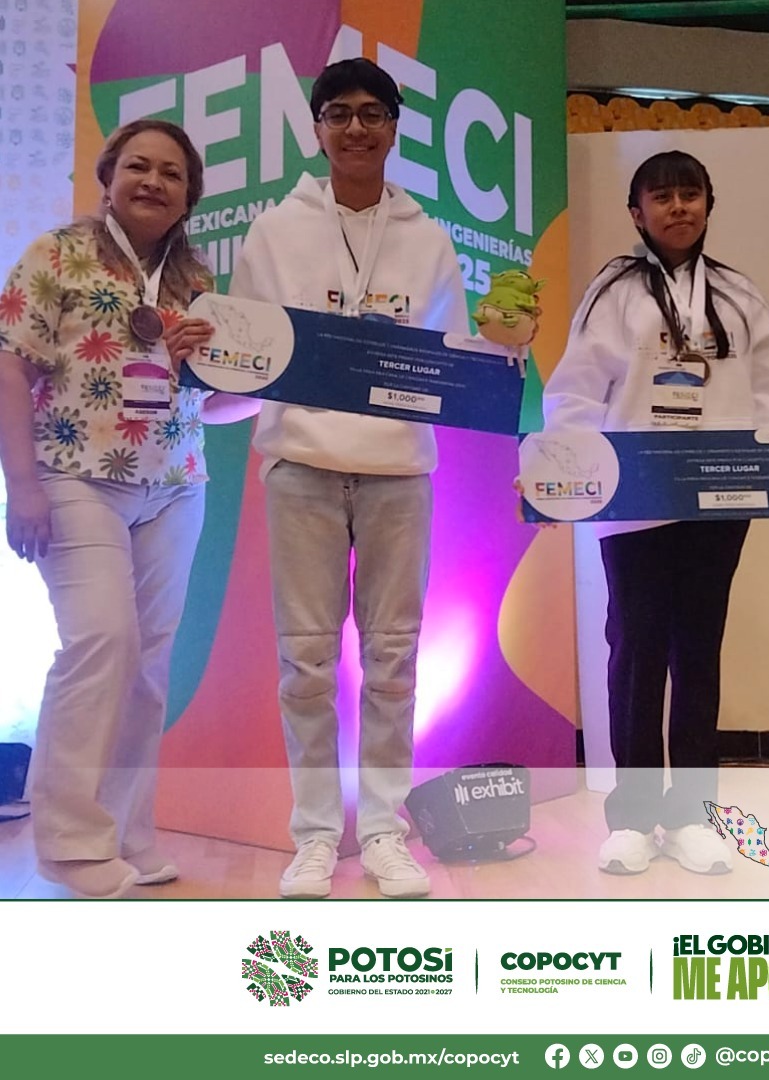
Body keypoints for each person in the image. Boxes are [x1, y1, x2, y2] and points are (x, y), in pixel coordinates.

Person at [541, 150, 769, 876]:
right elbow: (576, 391)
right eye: (662, 196)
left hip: (720, 499)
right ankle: (634, 818)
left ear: (708, 204)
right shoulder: (612, 293)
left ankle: (696, 814)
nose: (678, 208)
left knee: (699, 649)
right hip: (634, 498)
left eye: (690, 194)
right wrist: (561, 477)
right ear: (636, 212)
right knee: (636, 649)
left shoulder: (738, 295)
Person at [227, 58, 469, 899]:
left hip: (398, 469)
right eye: (339, 114)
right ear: (318, 128)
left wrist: (501, 355)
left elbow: (451, 360)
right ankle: (316, 836)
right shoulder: (274, 230)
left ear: (395, 127)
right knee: (305, 661)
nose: (356, 128)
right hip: (300, 465)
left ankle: (385, 831)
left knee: (394, 659)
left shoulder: (429, 237)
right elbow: (246, 349)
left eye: (372, 113)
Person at [0, 119, 228, 898]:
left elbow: (219, 401)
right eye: (138, 166)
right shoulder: (57, 253)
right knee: (102, 640)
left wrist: (245, 380)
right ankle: (69, 843)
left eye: (171, 173)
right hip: (74, 477)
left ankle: (128, 834)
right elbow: (10, 367)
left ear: (189, 195)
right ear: (109, 177)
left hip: (176, 483)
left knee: (148, 664)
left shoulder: (196, 278)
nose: (153, 181)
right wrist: (21, 485)